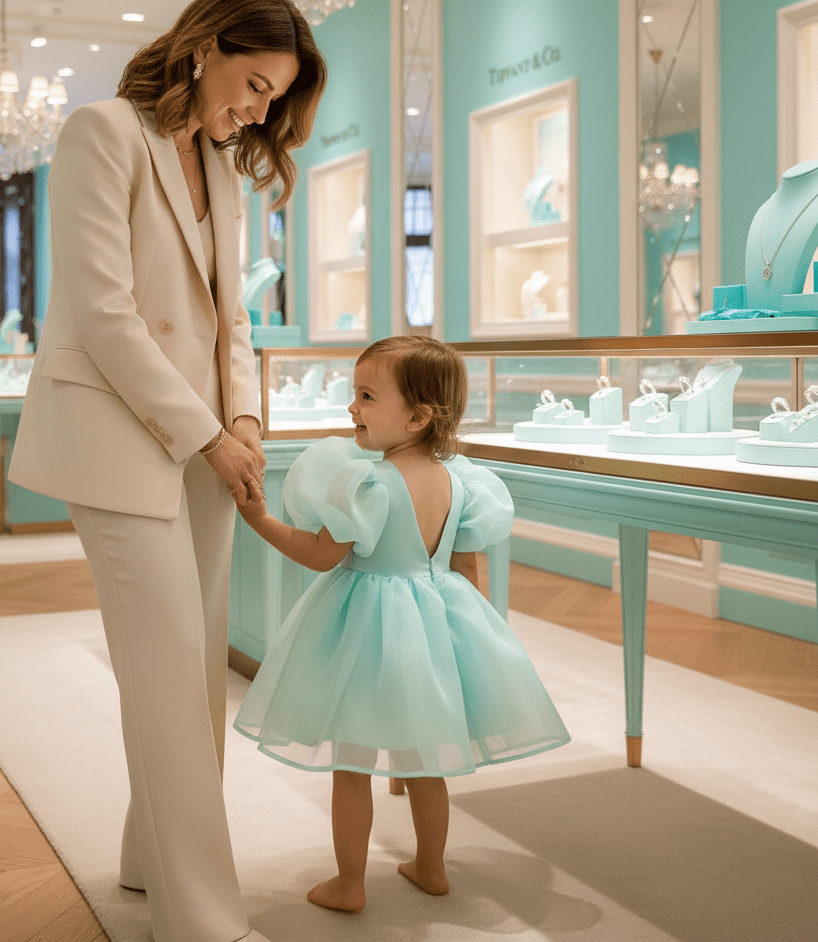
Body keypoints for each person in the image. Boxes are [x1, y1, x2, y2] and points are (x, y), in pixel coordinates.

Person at [7, 0, 327, 942]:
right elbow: (103, 315)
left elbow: (235, 318)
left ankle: (152, 860)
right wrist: (207, 431)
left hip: (207, 445)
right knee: (164, 676)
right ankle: (203, 919)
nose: (260, 110)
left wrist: (246, 415)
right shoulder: (100, 133)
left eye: (275, 99)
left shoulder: (224, 168)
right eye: (256, 84)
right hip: (118, 436)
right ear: (204, 48)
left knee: (191, 676)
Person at [232, 336, 571, 913]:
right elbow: (464, 565)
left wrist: (257, 516)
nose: (351, 409)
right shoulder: (460, 482)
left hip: (364, 627)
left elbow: (320, 553)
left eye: (366, 396)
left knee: (351, 763)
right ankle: (431, 867)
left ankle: (349, 883)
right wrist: (464, 635)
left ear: (416, 417)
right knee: (425, 761)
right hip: (434, 622)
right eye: (353, 394)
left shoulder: (368, 485)